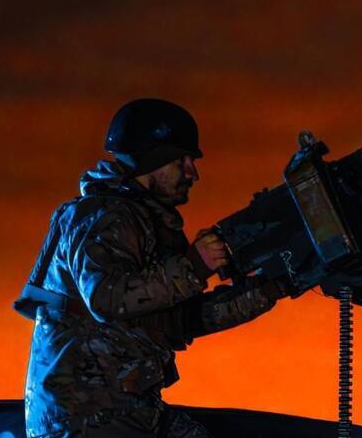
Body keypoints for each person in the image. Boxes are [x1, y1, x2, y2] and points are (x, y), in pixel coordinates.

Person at [15, 98, 291, 437]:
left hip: (127, 408)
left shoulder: (145, 221)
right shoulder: (104, 215)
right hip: (86, 416)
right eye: (181, 161)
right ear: (152, 160)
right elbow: (104, 298)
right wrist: (194, 266)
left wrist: (271, 288)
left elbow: (182, 319)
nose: (192, 173)